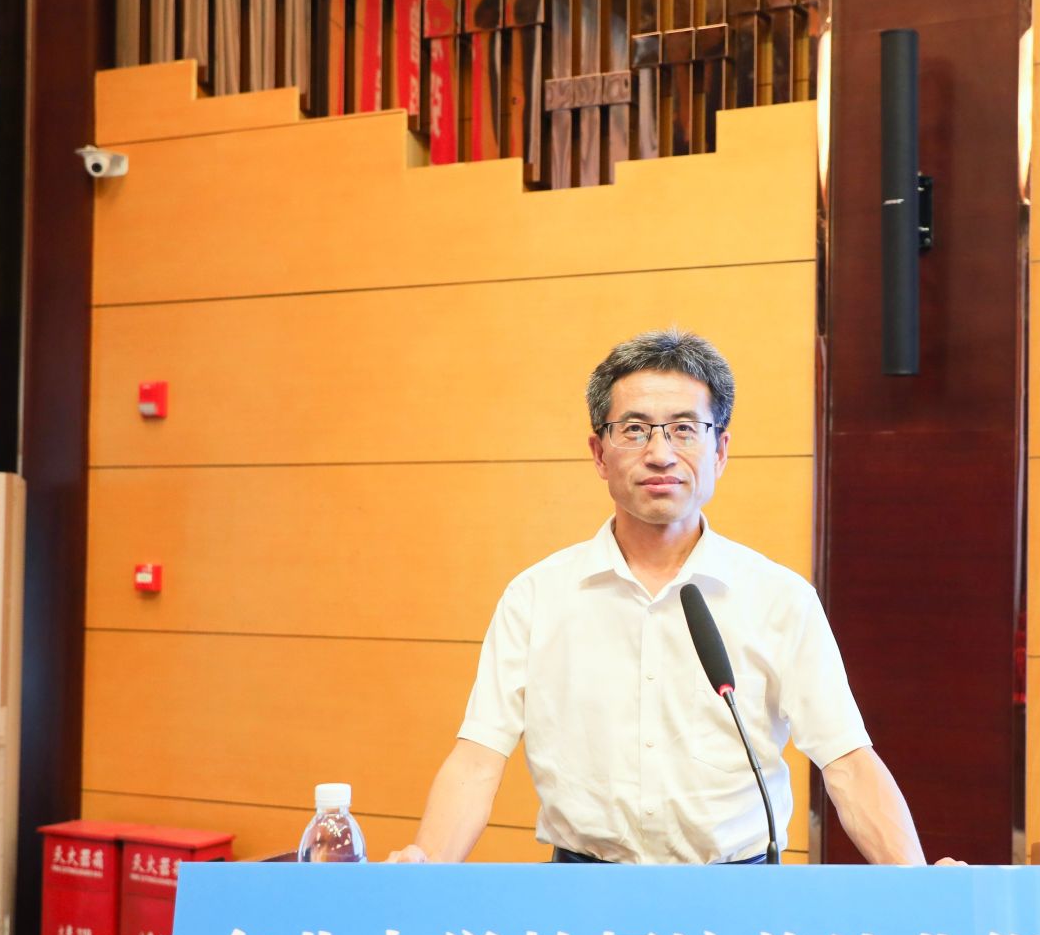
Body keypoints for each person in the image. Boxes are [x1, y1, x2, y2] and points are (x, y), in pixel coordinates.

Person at [386, 329, 956, 866]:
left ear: (720, 450)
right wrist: (422, 870)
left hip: (737, 888)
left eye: (685, 429)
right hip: (583, 889)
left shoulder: (779, 598)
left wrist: (918, 884)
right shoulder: (536, 596)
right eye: (634, 430)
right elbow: (478, 759)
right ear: (599, 453)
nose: (660, 454)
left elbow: (847, 762)